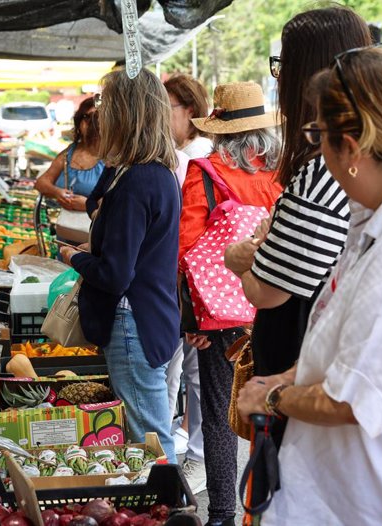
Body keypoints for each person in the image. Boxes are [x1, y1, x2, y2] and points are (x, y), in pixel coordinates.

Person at [237, 45, 382, 526]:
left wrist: (270, 397)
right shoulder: (373, 225)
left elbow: (350, 398)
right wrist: (288, 378)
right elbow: (347, 352)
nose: (316, 149)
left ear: (351, 148)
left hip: (363, 506)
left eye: (319, 134)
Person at [223, 6, 372, 510]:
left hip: (302, 398)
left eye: (282, 65)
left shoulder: (322, 177)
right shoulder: (344, 183)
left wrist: (245, 258)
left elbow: (269, 289)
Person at [60, 68, 180, 462]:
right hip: (150, 316)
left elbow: (115, 274)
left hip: (132, 322)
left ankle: (176, 512)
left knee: (151, 441)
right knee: (147, 436)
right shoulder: (154, 174)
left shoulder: (138, 182)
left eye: (107, 104)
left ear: (126, 114)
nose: (98, 114)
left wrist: (73, 256)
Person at [179, 82, 283, 526]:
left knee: (222, 413)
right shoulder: (284, 174)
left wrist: (194, 317)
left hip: (224, 317)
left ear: (220, 131)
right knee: (278, 408)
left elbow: (186, 250)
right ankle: (272, 510)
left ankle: (221, 514)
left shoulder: (203, 172)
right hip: (279, 310)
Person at [163, 73, 213, 493]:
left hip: (190, 283)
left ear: (190, 112)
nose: (162, 116)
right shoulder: (184, 154)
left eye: (168, 108)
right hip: (185, 282)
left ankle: (195, 458)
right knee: (179, 371)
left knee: (187, 372)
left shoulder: (192, 158)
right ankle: (176, 452)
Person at [35, 97, 104, 213]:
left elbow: (120, 202)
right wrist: (57, 192)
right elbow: (41, 182)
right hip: (66, 227)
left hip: (96, 228)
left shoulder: (113, 157)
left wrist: (88, 205)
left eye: (97, 117)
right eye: (87, 117)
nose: (92, 123)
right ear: (79, 122)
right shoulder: (68, 153)